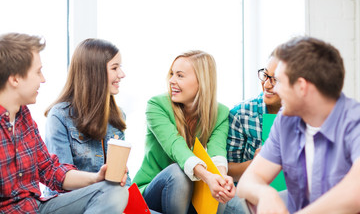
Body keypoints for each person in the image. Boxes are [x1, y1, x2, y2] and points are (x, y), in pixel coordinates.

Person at [0, 33, 128, 213]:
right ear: (15, 79)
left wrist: (97, 178)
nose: (43, 79)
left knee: (114, 190)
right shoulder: (59, 115)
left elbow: (50, 170)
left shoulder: (24, 118)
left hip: (37, 208)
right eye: (38, 72)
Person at [236, 36, 360, 213]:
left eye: (279, 81)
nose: (274, 89)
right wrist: (266, 194)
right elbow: (248, 182)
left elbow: (356, 192)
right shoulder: (285, 121)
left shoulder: (355, 121)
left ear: (301, 87)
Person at [133, 50, 236, 214]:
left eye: (180, 76)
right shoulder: (157, 105)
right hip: (150, 193)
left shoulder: (221, 113)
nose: (172, 80)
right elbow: (176, 147)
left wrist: (221, 179)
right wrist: (208, 177)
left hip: (188, 195)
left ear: (202, 81)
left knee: (220, 190)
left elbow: (217, 153)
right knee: (178, 173)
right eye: (172, 74)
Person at [43, 38, 130, 197]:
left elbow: (123, 179)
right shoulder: (59, 116)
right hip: (72, 202)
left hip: (109, 199)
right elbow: (61, 181)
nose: (122, 74)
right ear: (94, 72)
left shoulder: (118, 115)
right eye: (115, 68)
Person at [225, 53, 281, 214]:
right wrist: (255, 164)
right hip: (247, 199)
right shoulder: (241, 113)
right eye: (265, 75)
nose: (267, 85)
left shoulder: (303, 115)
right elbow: (226, 170)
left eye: (275, 79)